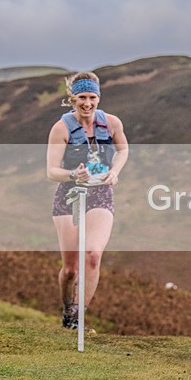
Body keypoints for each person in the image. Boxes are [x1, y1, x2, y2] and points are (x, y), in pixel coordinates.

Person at [46, 72, 128, 330]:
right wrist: (72, 174)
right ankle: (67, 309)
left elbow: (123, 149)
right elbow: (51, 170)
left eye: (92, 97)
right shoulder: (61, 128)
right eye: (82, 97)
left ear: (98, 97)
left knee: (92, 255)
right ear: (73, 99)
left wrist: (114, 171)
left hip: (100, 193)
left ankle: (77, 319)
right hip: (69, 195)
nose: (87, 103)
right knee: (70, 269)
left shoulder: (112, 123)